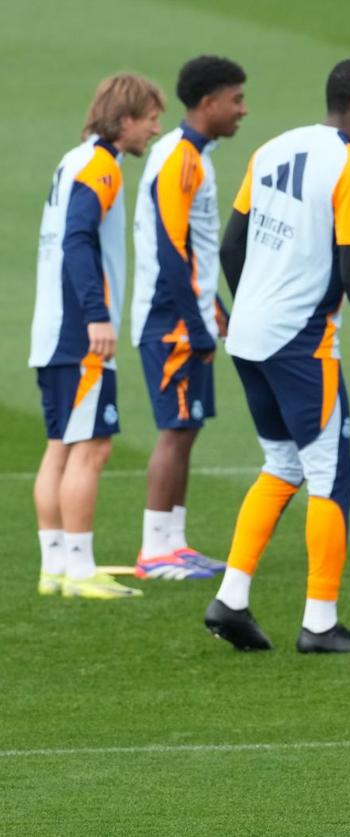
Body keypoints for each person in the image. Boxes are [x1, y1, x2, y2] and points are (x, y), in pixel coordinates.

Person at [202, 58, 350, 653]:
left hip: (247, 336)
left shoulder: (272, 148)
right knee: (331, 474)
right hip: (298, 343)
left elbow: (231, 246)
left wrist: (254, 307)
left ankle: (232, 598)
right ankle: (320, 623)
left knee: (282, 465)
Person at [30, 74, 164, 599]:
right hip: (77, 329)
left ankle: (54, 567)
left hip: (50, 326)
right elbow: (78, 238)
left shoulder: (72, 160)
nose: (156, 128)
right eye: (150, 118)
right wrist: (96, 316)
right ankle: (81, 570)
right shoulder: (102, 168)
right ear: (125, 119)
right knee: (92, 448)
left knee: (60, 446)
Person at [131, 55, 247, 581]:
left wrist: (215, 308)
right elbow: (171, 249)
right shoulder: (179, 158)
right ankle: (155, 549)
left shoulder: (193, 157)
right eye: (235, 99)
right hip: (169, 320)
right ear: (208, 103)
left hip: (186, 314)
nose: (242, 110)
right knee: (175, 431)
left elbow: (193, 252)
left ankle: (174, 544)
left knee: (187, 428)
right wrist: (196, 322)